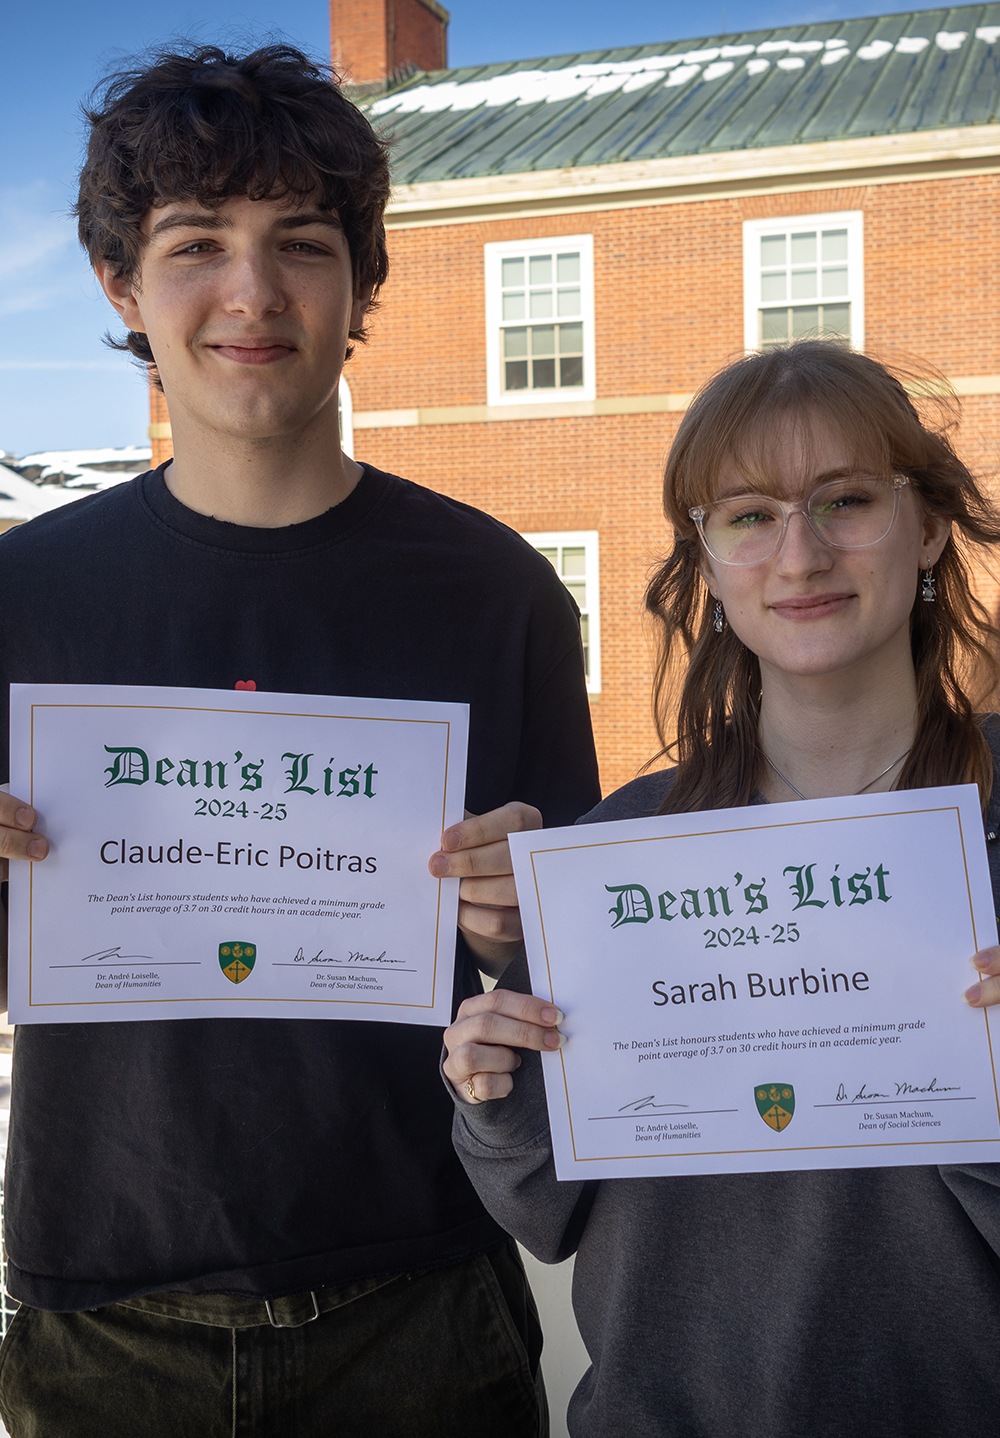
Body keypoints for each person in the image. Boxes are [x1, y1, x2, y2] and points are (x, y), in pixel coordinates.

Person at [0, 43, 600, 1437]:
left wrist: (530, 919)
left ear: (360, 286)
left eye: (303, 243)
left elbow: (572, 978)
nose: (252, 292)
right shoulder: (24, 598)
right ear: (121, 286)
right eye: (197, 243)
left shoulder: (494, 588)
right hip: (106, 1309)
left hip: (422, 1293)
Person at [443, 340, 1000, 1437]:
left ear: (928, 526)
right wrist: (492, 1089)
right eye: (747, 515)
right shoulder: (622, 851)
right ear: (704, 559)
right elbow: (544, 1213)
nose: (798, 555)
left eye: (844, 500)